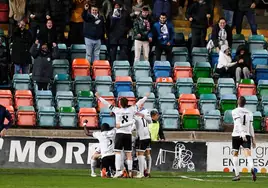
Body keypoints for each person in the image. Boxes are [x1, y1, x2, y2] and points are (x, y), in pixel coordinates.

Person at [95, 92, 149, 178]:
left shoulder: (117, 110)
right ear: (127, 103)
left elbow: (106, 104)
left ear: (120, 103)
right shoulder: (132, 109)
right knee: (128, 154)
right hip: (128, 134)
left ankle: (118, 171)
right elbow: (139, 102)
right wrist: (145, 96)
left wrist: (99, 97)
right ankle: (130, 172)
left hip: (120, 133)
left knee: (117, 153)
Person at [231, 96, 256, 181]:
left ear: (238, 102)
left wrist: (241, 133)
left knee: (235, 154)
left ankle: (237, 175)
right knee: (248, 154)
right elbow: (251, 126)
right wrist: (254, 139)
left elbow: (238, 123)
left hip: (237, 135)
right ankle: (252, 167)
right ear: (245, 103)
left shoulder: (234, 111)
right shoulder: (250, 113)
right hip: (247, 134)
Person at [106, 0, 132, 65]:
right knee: (112, 55)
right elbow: (107, 25)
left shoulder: (125, 13)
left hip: (123, 37)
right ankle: (112, 68)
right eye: (115, 5)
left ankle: (122, 69)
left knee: (123, 54)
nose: (117, 6)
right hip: (113, 37)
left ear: (120, 6)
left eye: (118, 5)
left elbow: (130, 24)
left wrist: (125, 30)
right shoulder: (110, 13)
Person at [133, 102, 152, 178]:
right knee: (142, 154)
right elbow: (150, 121)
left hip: (143, 137)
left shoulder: (138, 114)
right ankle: (145, 171)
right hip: (146, 136)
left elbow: (149, 121)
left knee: (142, 154)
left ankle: (143, 173)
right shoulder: (142, 113)